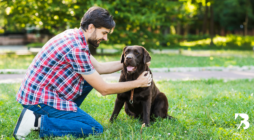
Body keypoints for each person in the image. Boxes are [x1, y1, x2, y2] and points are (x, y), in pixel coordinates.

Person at [13, 6, 152, 139]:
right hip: (39, 100)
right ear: (91, 27)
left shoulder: (74, 36)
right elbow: (104, 89)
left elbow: (100, 68)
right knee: (95, 129)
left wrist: (135, 62)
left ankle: (57, 115)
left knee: (90, 78)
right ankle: (36, 122)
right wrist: (137, 83)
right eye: (104, 33)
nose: (105, 38)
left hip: (39, 94)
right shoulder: (76, 48)